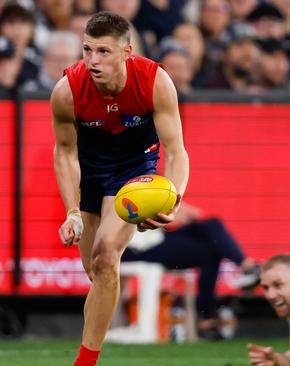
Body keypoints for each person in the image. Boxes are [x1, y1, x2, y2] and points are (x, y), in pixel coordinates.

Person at [51, 11, 190, 366]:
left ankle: (84, 362)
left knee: (105, 257)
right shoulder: (67, 91)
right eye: (87, 50)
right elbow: (65, 153)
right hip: (90, 176)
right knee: (97, 273)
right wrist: (71, 211)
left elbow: (176, 150)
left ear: (127, 51)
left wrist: (172, 197)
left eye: (103, 52)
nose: (93, 60)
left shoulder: (154, 80)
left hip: (134, 173)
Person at [120, 202, 260, 340]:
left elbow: (169, 207)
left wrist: (179, 211)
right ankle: (245, 268)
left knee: (213, 228)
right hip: (136, 248)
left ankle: (208, 318)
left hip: (157, 237)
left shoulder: (144, 184)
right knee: (210, 251)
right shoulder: (112, 188)